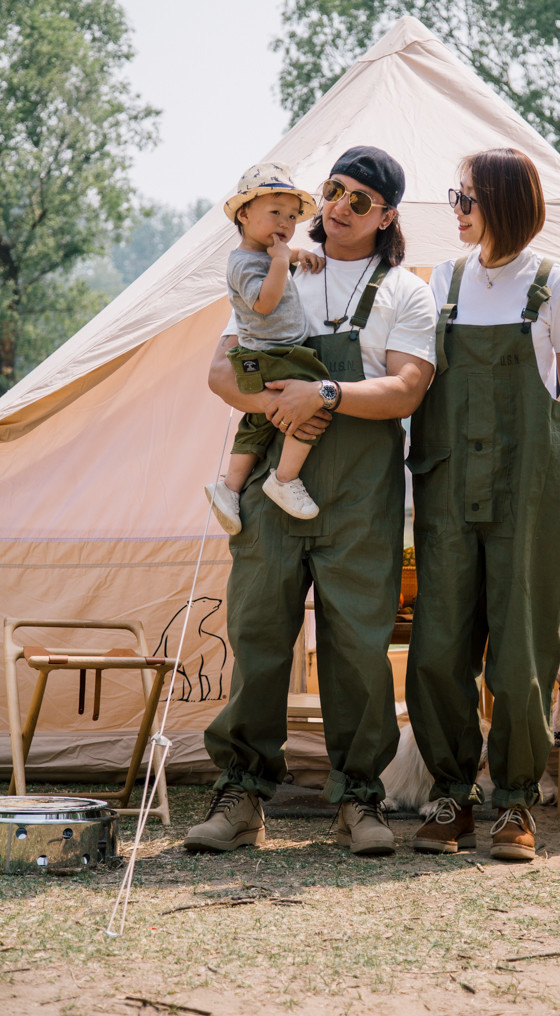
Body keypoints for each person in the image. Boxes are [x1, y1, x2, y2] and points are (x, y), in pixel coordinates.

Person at [185, 146, 437, 856]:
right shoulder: (277, 263)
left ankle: (361, 800)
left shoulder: (405, 291)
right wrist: (277, 402)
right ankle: (241, 795)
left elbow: (407, 388)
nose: (337, 207)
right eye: (332, 190)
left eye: (360, 200)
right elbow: (219, 373)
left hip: (361, 497)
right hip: (272, 484)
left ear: (386, 216)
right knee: (258, 634)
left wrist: (321, 391)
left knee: (357, 648)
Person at [405, 147, 560, 862]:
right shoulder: (442, 280)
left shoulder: (556, 285)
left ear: (504, 203)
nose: (455, 209)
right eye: (456, 197)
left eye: (465, 198)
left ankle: (515, 801)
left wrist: (531, 471)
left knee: (520, 655)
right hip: (447, 488)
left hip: (524, 496)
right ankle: (452, 796)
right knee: (436, 649)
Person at [205, 162, 329, 532]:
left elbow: (277, 261)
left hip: (266, 355)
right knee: (312, 403)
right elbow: (265, 302)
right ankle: (285, 479)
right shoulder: (244, 263)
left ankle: (229, 487)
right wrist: (280, 261)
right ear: (244, 214)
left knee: (258, 421)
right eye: (274, 213)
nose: (285, 224)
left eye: (292, 217)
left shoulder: (264, 256)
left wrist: (294, 256)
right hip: (275, 354)